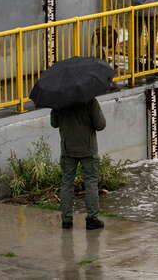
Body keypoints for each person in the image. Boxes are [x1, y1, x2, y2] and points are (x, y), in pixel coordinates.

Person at [51, 98, 107, 230]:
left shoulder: (58, 101)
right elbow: (100, 125)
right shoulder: (90, 100)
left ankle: (66, 220)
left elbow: (54, 123)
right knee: (91, 182)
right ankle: (92, 219)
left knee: (66, 184)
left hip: (67, 149)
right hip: (88, 149)